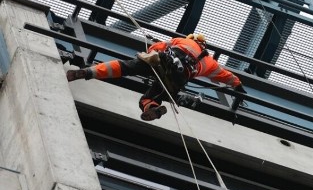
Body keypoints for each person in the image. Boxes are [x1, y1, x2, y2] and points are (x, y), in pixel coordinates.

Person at [66, 33, 244, 121]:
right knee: (151, 96)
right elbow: (227, 76)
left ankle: (88, 72)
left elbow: (159, 46)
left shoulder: (181, 40)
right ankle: (153, 106)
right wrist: (238, 86)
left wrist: (152, 52)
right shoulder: (210, 63)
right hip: (178, 77)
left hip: (163, 60)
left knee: (126, 67)